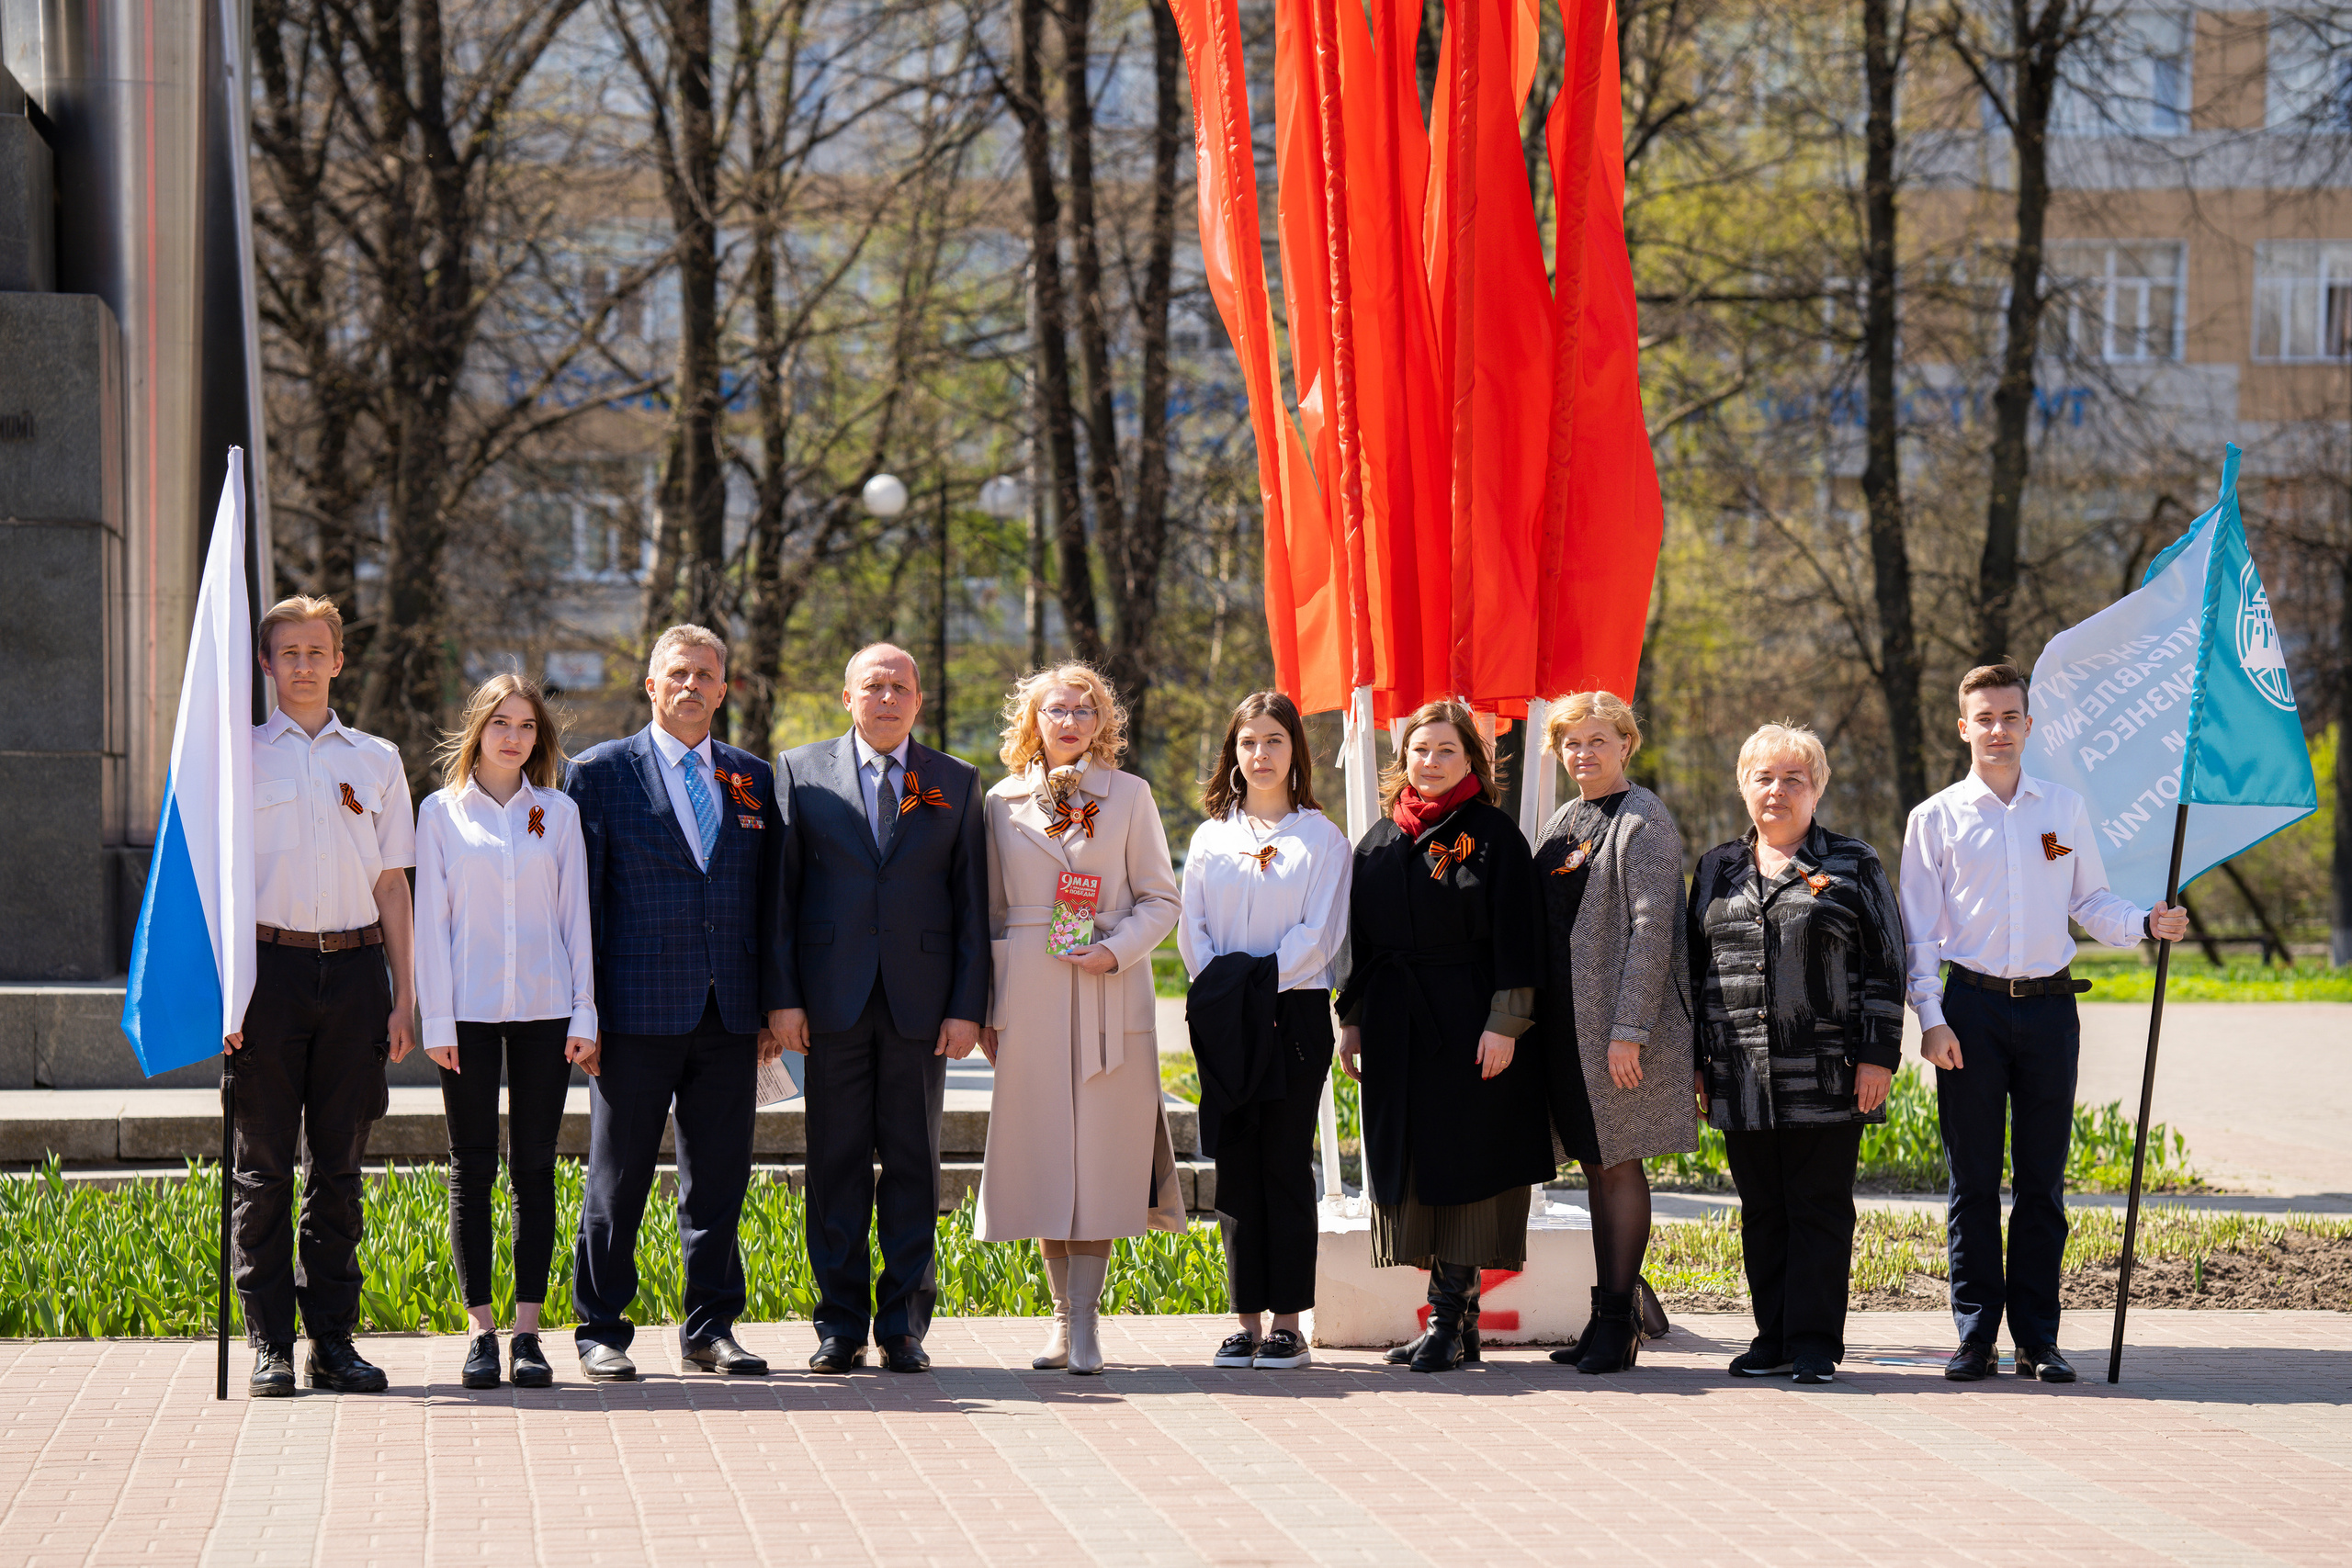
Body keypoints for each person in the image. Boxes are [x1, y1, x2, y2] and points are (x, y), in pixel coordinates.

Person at [1902, 664, 2188, 1385]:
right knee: (1972, 1181)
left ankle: (2038, 1338)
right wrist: (1932, 1019)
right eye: (1984, 717)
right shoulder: (1935, 819)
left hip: (2050, 1012)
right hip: (1970, 1012)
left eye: (2010, 716)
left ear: (2029, 725)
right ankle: (1975, 1337)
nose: (1998, 729)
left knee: (2042, 1181)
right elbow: (1919, 935)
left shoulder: (2059, 813)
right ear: (1962, 727)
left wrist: (2144, 922)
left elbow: (2087, 899)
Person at [563, 624, 785, 1382]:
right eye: (677, 673)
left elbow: (768, 897)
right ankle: (600, 1328)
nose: (691, 685)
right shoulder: (597, 773)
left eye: (705, 674)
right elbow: (581, 903)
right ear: (651, 685)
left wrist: (770, 1005)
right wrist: (584, 1010)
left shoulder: (752, 776)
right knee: (617, 1178)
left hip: (731, 1012)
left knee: (719, 1180)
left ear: (724, 689)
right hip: (632, 1012)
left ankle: (711, 1328)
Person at [770, 644, 989, 1375]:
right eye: (874, 685)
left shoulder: (956, 780)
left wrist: (966, 1005)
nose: (887, 698)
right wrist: (783, 998)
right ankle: (839, 1325)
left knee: (913, 1166)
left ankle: (902, 1326)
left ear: (918, 700)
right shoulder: (799, 771)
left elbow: (971, 903)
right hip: (828, 1003)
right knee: (833, 1165)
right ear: (848, 697)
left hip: (920, 1008)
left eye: (900, 686)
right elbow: (781, 899)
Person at [229, 594, 416, 1397]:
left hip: (355, 975)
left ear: (339, 660)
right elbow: (214, 886)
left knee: (338, 1169)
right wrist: (225, 997)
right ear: (266, 663)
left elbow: (392, 884)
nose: (303, 665)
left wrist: (404, 997)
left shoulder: (376, 758)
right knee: (264, 1170)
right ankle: (270, 1343)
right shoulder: (235, 758)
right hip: (266, 977)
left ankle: (333, 1341)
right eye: (288, 652)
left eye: (317, 651)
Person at [977, 662, 1185, 1375]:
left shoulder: (1130, 795)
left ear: (1102, 722)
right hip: (1029, 997)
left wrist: (1116, 949)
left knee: (1099, 1160)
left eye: (1084, 710)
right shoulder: (1000, 801)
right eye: (1056, 709)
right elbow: (990, 915)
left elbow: (1161, 898)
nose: (1070, 721)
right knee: (1042, 1157)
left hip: (1107, 993)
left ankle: (1088, 1322)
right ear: (1032, 719)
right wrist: (990, 1008)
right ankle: (1060, 1321)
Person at [1336, 699, 1550, 1375]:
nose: (1430, 762)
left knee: (1468, 1167)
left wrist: (1505, 1023)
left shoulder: (1493, 834)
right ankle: (1461, 1327)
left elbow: (1520, 935)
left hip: (1471, 1023)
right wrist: (1352, 1019)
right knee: (1418, 1171)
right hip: (1396, 1028)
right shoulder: (1378, 839)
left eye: (1446, 750)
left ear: (1471, 760)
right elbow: (1361, 941)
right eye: (1420, 750)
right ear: (1402, 758)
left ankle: (1448, 1319)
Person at [1688, 722, 1905, 1386]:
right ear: (1743, 786)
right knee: (1762, 1209)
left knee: (1818, 1206)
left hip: (1828, 1072)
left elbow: (1886, 962)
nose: (1777, 790)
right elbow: (1694, 971)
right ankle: (1773, 1337)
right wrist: (1697, 1061)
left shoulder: (1853, 862)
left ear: (1817, 789)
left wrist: (1878, 1055)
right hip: (1741, 1070)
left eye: (1793, 779)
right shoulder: (1717, 868)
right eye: (1764, 777)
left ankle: (1813, 1342)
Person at [414, 673, 597, 1390]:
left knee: (534, 1168)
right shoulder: (440, 813)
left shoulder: (559, 812)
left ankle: (527, 1332)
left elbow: (576, 916)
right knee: (472, 1167)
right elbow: (431, 924)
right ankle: (480, 1332)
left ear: (538, 737)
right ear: (478, 729)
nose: (513, 736)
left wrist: (584, 1011)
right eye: (501, 723)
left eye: (526, 725)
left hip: (547, 1010)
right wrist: (435, 1017)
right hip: (466, 1013)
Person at [1178, 692, 1351, 1372]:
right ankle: (1245, 1321)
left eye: (1274, 740)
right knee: (1236, 1166)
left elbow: (1320, 936)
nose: (1261, 754)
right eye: (1248, 741)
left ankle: (1287, 1324)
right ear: (1234, 753)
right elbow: (1193, 930)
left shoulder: (1322, 839)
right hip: (1225, 1015)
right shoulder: (1210, 837)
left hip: (1293, 1015)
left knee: (1283, 1161)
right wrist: (1227, 991)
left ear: (1295, 750)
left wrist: (1253, 983)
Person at [1527, 691, 1694, 1374]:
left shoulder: (1643, 820)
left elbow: (1653, 931)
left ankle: (1621, 1323)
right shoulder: (1566, 820)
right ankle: (1603, 1318)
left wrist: (1630, 1029)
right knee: (1596, 1166)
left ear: (1626, 743)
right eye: (1571, 742)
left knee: (1620, 1164)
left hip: (1617, 1032)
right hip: (1567, 1027)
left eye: (1598, 739)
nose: (1584, 753)